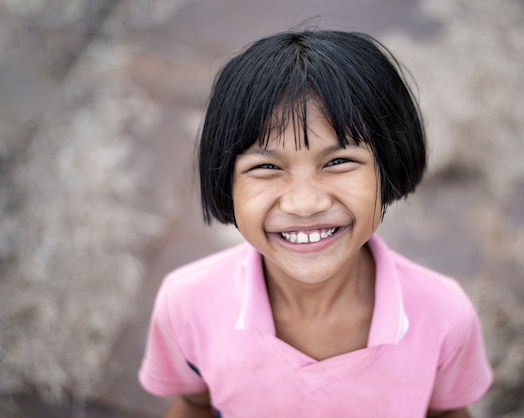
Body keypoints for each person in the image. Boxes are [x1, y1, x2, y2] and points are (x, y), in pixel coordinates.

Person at [138, 29, 493, 418]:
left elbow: (446, 412)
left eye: (339, 161)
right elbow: (192, 403)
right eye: (267, 167)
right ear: (226, 182)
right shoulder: (186, 303)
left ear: (389, 168)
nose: (305, 203)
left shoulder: (444, 314)